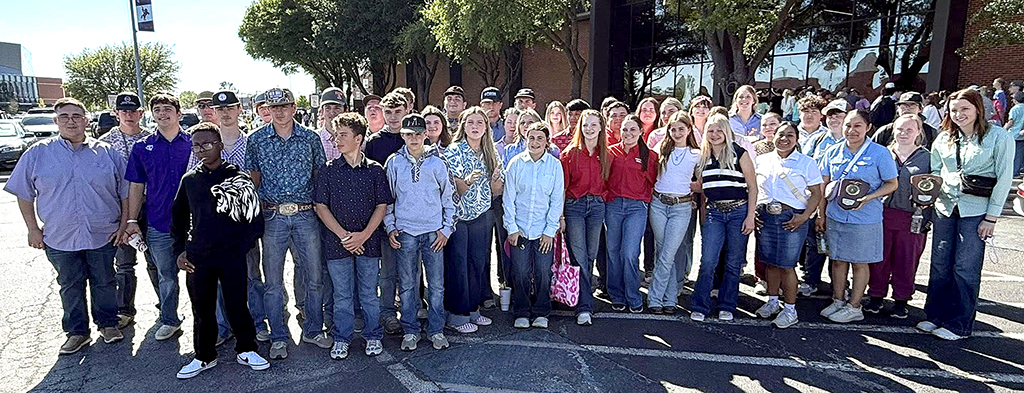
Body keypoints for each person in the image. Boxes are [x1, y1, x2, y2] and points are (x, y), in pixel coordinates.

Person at [5, 97, 127, 354]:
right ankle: (77, 332)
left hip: (103, 232)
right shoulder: (37, 154)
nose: (71, 121)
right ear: (56, 120)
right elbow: (24, 193)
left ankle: (108, 324)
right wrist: (32, 229)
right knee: (69, 284)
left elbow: (126, 191)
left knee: (105, 280)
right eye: (64, 117)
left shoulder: (106, 153)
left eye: (76, 116)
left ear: (86, 120)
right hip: (59, 236)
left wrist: (125, 224)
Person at [170, 122, 268, 379]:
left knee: (237, 304)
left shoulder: (238, 178)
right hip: (199, 257)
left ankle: (246, 349)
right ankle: (204, 356)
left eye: (208, 144)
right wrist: (180, 250)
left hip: (232, 255)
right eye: (197, 145)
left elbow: (254, 221)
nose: (202, 149)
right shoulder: (190, 180)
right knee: (202, 310)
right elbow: (178, 218)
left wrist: (240, 249)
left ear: (220, 146)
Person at [920, 88, 1014, 340]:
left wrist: (991, 217)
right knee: (940, 264)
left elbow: (1004, 179)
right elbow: (936, 173)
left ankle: (959, 324)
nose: (959, 114)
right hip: (945, 208)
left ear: (978, 110)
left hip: (977, 211)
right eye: (954, 110)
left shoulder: (998, 137)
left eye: (965, 109)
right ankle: (935, 316)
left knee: (966, 267)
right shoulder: (944, 139)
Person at [244, 88, 329, 359]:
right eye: (274, 107)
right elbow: (253, 177)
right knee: (273, 281)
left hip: (306, 215)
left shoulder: (310, 138)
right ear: (267, 110)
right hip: (273, 216)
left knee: (314, 277)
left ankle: (313, 329)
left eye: (284, 106)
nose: (279, 112)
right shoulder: (256, 140)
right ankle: (278, 335)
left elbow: (319, 176)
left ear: (294, 108)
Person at [186, 91, 269, 345]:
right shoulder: (204, 142)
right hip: (213, 228)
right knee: (218, 280)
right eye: (220, 108)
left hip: (243, 224)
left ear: (239, 110)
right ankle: (223, 327)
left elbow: (258, 180)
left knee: (252, 275)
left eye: (230, 107)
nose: (225, 112)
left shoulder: (252, 143)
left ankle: (257, 322)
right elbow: (193, 181)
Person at [313, 112, 391, 360]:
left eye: (343, 135)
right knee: (342, 295)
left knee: (369, 293)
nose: (337, 140)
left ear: (358, 138)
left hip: (369, 242)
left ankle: (373, 335)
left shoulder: (375, 170)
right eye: (336, 135)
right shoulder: (328, 170)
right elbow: (320, 206)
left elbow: (382, 205)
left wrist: (364, 236)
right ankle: (342, 338)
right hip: (337, 243)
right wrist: (346, 236)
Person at [817, 109, 899, 324]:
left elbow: (892, 183)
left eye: (857, 126)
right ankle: (838, 300)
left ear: (868, 127)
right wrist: (821, 215)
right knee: (837, 260)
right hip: (835, 214)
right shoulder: (832, 152)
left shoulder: (880, 153)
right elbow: (824, 185)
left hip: (865, 218)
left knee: (860, 263)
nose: (852, 130)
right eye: (848, 126)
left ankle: (854, 306)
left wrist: (870, 197)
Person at [122, 93, 190, 342]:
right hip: (159, 223)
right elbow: (136, 186)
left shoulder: (195, 143)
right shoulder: (143, 147)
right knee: (166, 275)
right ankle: (170, 320)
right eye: (157, 109)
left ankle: (213, 322)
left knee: (201, 274)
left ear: (178, 113)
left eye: (168, 109)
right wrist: (131, 221)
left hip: (193, 224)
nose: (163, 114)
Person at [385, 114, 455, 352]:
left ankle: (436, 330)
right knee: (406, 284)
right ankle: (410, 330)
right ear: (402, 135)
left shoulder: (438, 163)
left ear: (426, 135)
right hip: (406, 232)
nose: (413, 139)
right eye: (408, 134)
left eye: (418, 134)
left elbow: (449, 197)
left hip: (433, 233)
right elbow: (389, 199)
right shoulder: (394, 163)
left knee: (436, 285)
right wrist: (390, 226)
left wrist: (446, 229)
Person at [752, 123, 823, 328]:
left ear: (797, 139)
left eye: (790, 135)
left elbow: (816, 193)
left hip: (792, 218)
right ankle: (773, 301)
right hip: (765, 216)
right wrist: (754, 211)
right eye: (780, 134)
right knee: (770, 262)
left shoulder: (806, 163)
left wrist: (805, 216)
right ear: (773, 136)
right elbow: (754, 188)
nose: (784, 139)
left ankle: (790, 310)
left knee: (787, 265)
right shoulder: (762, 160)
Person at [861, 114, 931, 319]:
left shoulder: (928, 157)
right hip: (880, 214)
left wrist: (927, 215)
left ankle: (901, 299)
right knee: (878, 258)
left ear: (919, 132)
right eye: (900, 129)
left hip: (912, 216)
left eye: (910, 129)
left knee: (906, 260)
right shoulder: (881, 153)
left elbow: (934, 188)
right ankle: (876, 295)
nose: (904, 133)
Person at [689, 114, 757, 322]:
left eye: (719, 130)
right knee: (708, 261)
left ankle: (727, 305)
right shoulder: (702, 157)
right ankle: (700, 306)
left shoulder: (740, 153)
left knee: (733, 262)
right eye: (711, 130)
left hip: (738, 212)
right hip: (714, 213)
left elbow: (752, 187)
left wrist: (750, 217)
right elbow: (702, 187)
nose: (715, 134)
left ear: (727, 132)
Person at [99, 92, 157, 330]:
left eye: (133, 111)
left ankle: (166, 306)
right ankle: (124, 310)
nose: (129, 115)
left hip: (151, 208)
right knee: (124, 264)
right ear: (116, 114)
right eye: (124, 111)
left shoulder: (153, 138)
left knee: (155, 261)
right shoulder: (105, 143)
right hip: (122, 210)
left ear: (141, 113)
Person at [443, 107, 502, 333]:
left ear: (486, 127)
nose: (475, 126)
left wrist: (496, 181)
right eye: (471, 122)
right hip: (459, 217)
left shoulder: (490, 153)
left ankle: (473, 310)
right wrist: (466, 181)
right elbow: (453, 187)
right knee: (458, 264)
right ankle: (457, 315)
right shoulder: (454, 151)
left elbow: (495, 190)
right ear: (463, 126)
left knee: (478, 263)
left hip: (482, 215)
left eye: (480, 122)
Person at [504, 122, 565, 329]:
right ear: (525, 139)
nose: (535, 142)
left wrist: (550, 231)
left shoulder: (554, 166)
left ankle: (541, 311)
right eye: (531, 137)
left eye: (540, 138)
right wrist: (511, 228)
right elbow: (508, 198)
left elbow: (557, 200)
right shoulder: (515, 164)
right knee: (519, 271)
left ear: (547, 142)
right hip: (520, 229)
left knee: (542, 271)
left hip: (543, 231)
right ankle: (521, 311)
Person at [364, 92, 408, 335]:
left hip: (413, 214)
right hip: (385, 213)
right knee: (388, 270)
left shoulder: (413, 137)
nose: (392, 117)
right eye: (388, 112)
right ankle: (388, 312)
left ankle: (410, 308)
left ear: (406, 110)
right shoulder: (374, 142)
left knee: (411, 270)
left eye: (397, 112)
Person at [647, 112, 700, 314]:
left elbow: (703, 183)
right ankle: (669, 298)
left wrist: (687, 187)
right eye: (673, 129)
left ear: (689, 130)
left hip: (681, 207)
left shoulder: (697, 154)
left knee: (668, 252)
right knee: (663, 251)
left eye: (681, 128)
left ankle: (655, 297)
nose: (677, 132)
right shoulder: (660, 150)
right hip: (659, 204)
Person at [604, 114, 658, 313]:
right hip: (614, 206)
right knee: (613, 251)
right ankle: (616, 295)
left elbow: (654, 182)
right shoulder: (611, 152)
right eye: (625, 129)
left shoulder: (649, 156)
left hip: (637, 207)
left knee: (629, 253)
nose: (628, 133)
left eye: (632, 129)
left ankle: (633, 295)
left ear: (641, 132)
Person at [560, 109, 609, 326]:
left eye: (593, 125)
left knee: (590, 255)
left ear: (600, 127)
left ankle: (583, 295)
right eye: (585, 125)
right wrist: (560, 216)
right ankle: (584, 306)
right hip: (575, 207)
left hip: (597, 207)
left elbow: (608, 182)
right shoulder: (569, 154)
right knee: (579, 256)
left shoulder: (606, 154)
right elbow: (562, 188)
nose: (589, 129)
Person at [872, 92, 939, 148]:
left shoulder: (930, 132)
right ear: (898, 109)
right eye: (903, 105)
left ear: (920, 109)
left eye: (912, 105)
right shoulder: (886, 131)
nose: (907, 109)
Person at [315, 87, 348, 162]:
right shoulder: (314, 138)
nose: (332, 112)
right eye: (328, 108)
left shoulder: (355, 140)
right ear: (322, 111)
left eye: (337, 108)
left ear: (346, 111)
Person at [1005, 92, 1024, 177]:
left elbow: (1011, 121)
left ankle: (1013, 172)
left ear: (1015, 100)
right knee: (1020, 155)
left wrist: (1004, 129)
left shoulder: (1015, 109)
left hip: (1013, 134)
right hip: (1022, 135)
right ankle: (1018, 170)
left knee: (1012, 154)